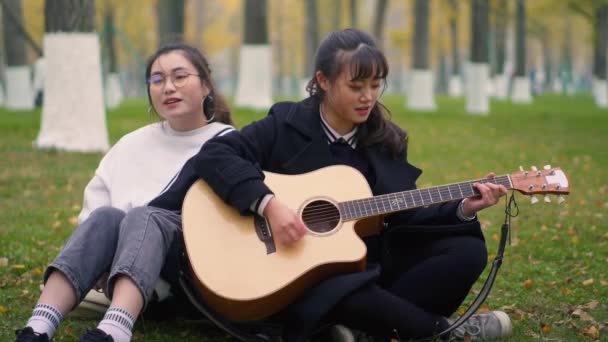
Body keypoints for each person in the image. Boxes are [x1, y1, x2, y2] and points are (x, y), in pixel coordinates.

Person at [159, 29, 512, 341]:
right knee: (344, 291)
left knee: (466, 251)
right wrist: (268, 204)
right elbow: (216, 154)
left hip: (370, 266)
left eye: (376, 85)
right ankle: (443, 331)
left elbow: (404, 216)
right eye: (355, 86)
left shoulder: (386, 140)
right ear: (323, 81)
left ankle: (363, 326)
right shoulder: (284, 124)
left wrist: (464, 207)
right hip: (301, 276)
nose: (368, 97)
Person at [15, 42, 234, 342]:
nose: (168, 87)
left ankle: (114, 331)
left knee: (145, 216)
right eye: (157, 80)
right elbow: (94, 215)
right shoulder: (132, 144)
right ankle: (38, 326)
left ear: (206, 85)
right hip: (117, 277)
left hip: (186, 276)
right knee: (107, 216)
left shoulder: (227, 144)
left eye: (179, 76)